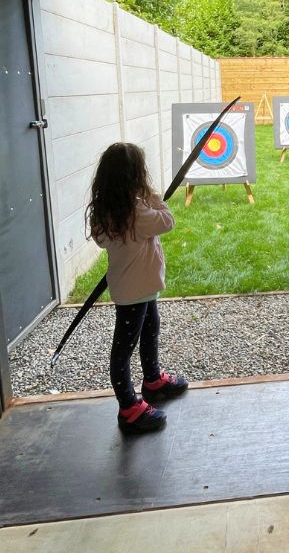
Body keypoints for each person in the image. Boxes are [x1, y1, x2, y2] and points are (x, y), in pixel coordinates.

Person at [87, 142, 189, 434]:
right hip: (137, 290)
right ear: (136, 176)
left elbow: (102, 240)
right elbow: (167, 221)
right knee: (123, 348)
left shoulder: (108, 210)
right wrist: (153, 196)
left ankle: (153, 380)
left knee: (149, 329)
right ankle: (129, 407)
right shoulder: (137, 210)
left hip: (132, 289)